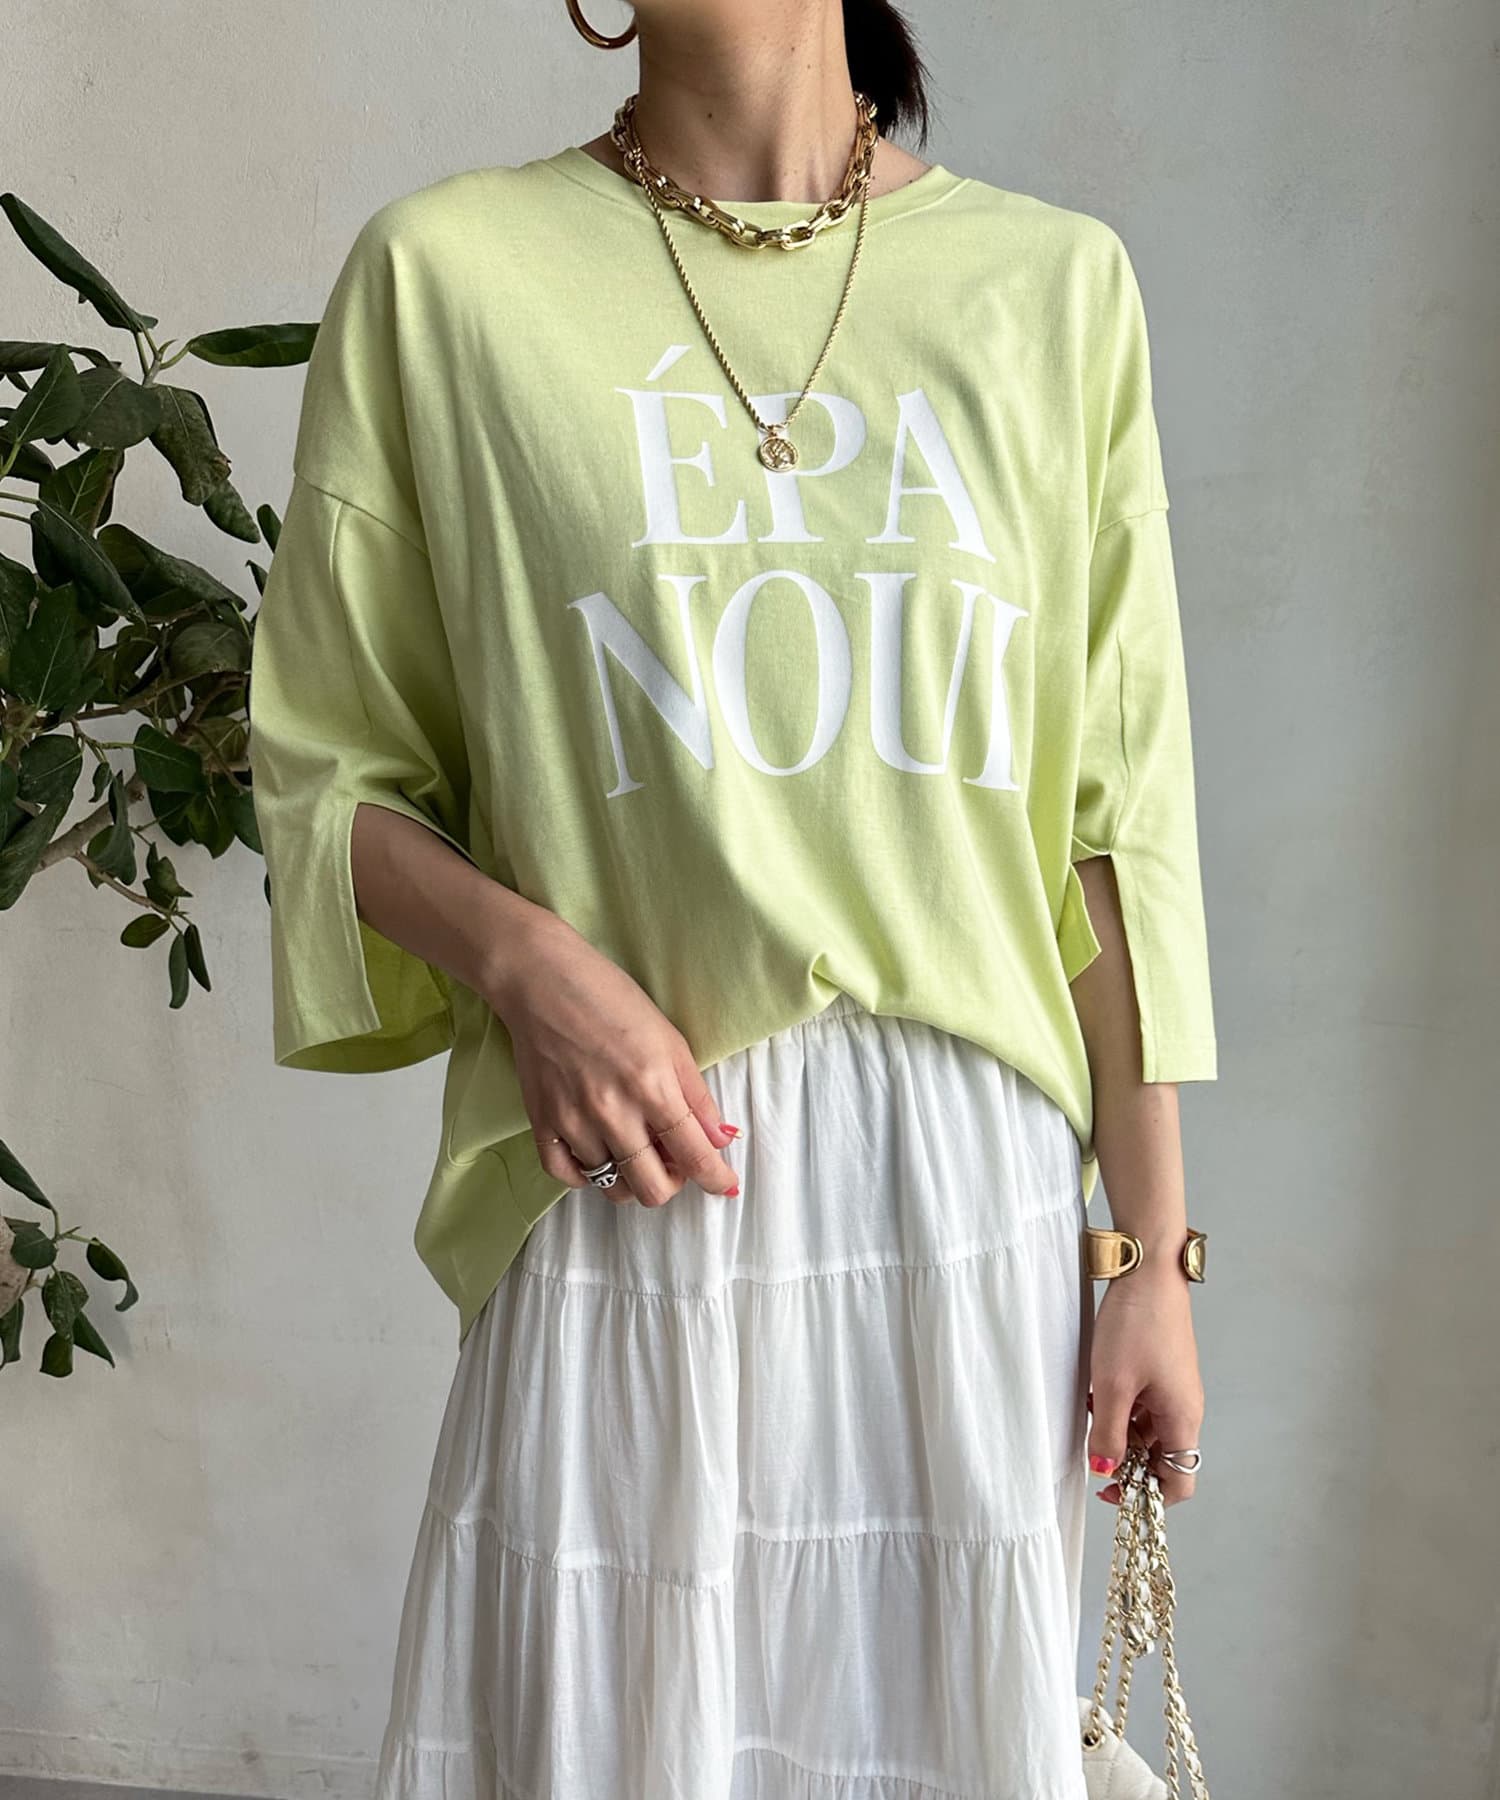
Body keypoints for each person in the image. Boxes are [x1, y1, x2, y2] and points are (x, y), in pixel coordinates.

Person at [246, 1, 1219, 1793]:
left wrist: (1153, 1258)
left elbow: (1113, 821)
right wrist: (527, 964)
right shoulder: (447, 279)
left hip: (967, 1210)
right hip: (634, 1180)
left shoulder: (1055, 286)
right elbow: (326, 773)